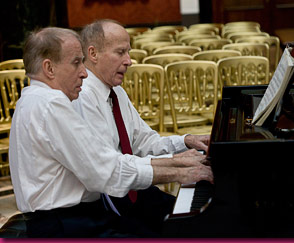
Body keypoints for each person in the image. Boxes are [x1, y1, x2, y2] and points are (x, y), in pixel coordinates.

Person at [9, 26, 213, 238]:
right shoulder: (51, 103)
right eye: (76, 63)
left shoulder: (34, 99)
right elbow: (104, 170)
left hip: (74, 218)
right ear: (49, 68)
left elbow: (126, 152)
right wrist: (178, 170)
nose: (84, 72)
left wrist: (181, 156)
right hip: (65, 224)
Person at [72, 19, 214, 234]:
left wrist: (185, 141)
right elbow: (111, 168)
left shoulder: (115, 91)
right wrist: (175, 167)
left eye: (128, 52)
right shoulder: (82, 96)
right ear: (93, 53)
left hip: (134, 190)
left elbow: (144, 142)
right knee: (180, 229)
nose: (129, 61)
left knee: (196, 221)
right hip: (110, 202)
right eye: (120, 52)